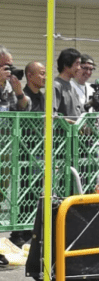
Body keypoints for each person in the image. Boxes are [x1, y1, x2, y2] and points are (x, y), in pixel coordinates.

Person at [7, 61, 47, 247]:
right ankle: (19, 233)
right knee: (25, 190)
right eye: (41, 73)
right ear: (30, 76)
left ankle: (32, 230)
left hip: (41, 150)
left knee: (37, 192)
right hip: (25, 150)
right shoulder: (24, 96)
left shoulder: (44, 97)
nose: (44, 77)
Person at [54, 48, 83, 119]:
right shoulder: (55, 86)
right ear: (66, 64)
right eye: (77, 64)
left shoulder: (72, 86)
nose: (79, 68)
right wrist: (73, 123)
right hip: (64, 130)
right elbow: (53, 116)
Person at [0, 46, 31, 111]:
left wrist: (19, 93)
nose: (9, 70)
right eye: (5, 66)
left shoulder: (9, 85)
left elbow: (24, 109)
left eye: (10, 66)